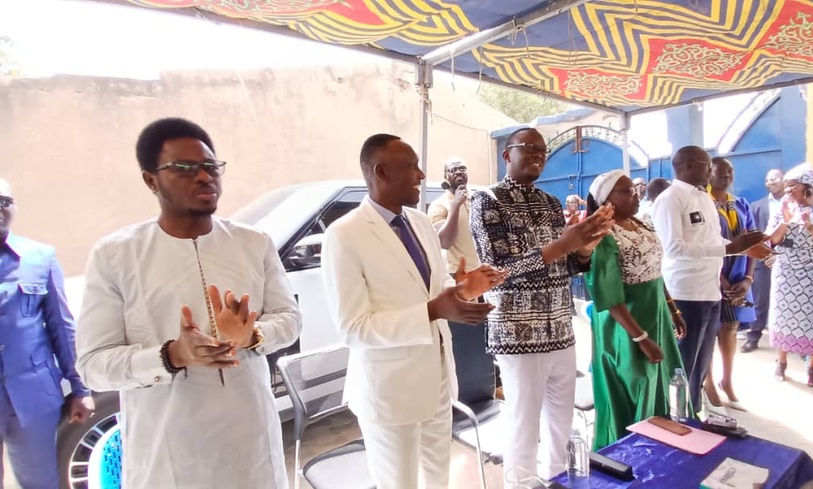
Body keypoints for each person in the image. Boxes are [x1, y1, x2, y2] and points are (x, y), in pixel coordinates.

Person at [75, 118, 302, 488]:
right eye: (184, 168)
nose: (203, 176)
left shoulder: (253, 243)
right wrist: (172, 355)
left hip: (250, 444)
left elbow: (290, 319)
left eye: (211, 166)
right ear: (151, 180)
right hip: (170, 454)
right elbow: (93, 366)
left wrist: (252, 336)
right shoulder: (116, 255)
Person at [322, 134, 506, 489]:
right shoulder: (345, 235)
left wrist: (465, 289)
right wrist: (434, 310)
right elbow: (353, 328)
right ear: (380, 172)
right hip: (389, 392)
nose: (421, 175)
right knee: (399, 483)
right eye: (411, 167)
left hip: (436, 378)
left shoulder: (420, 223)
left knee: (438, 478)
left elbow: (433, 294)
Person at [470, 128, 613, 486]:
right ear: (507, 155)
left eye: (542, 150)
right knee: (523, 425)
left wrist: (583, 249)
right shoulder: (487, 201)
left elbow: (566, 266)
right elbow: (497, 272)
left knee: (561, 424)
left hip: (561, 330)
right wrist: (563, 245)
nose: (537, 154)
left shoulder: (550, 203)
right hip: (519, 333)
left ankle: (559, 480)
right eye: (528, 148)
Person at [650, 145, 768, 416]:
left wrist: (744, 248)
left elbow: (714, 242)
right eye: (707, 165)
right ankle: (677, 417)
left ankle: (693, 413)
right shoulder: (670, 199)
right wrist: (729, 249)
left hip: (710, 290)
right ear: (688, 165)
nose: (712, 171)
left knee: (701, 366)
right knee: (683, 363)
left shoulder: (703, 198)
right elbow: (673, 248)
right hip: (685, 293)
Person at [0, 179, 94, 488]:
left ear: (14, 207)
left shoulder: (39, 257)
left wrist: (81, 389)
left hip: (34, 397)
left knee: (41, 481)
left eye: (4, 202)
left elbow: (61, 326)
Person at [584, 170, 686, 449]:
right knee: (637, 383)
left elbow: (654, 272)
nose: (635, 195)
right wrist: (641, 339)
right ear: (607, 200)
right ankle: (631, 454)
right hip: (624, 326)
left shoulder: (643, 226)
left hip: (656, 316)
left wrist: (672, 309)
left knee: (664, 380)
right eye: (627, 191)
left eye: (635, 189)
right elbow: (609, 297)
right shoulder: (601, 236)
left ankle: (662, 453)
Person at [766, 167, 813, 387]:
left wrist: (809, 225)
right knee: (784, 317)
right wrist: (786, 221)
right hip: (786, 274)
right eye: (786, 185)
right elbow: (771, 240)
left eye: (792, 185)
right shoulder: (783, 207)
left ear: (807, 187)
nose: (787, 190)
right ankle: (781, 363)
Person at [703, 158, 756, 413]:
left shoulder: (740, 204)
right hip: (712, 275)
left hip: (739, 277)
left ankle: (728, 381)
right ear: (708, 172)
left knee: (731, 327)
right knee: (710, 330)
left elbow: (755, 242)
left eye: (730, 170)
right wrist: (721, 281)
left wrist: (748, 279)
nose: (726, 174)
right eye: (720, 170)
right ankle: (709, 382)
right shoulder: (704, 203)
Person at [743, 168, 785, 353]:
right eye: (767, 179)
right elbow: (753, 235)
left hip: (787, 262)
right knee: (760, 301)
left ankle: (792, 343)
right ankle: (754, 336)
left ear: (784, 180)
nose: (771, 182)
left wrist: (780, 256)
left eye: (775, 178)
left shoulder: (793, 206)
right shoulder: (757, 206)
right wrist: (767, 255)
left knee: (787, 302)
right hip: (763, 261)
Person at [428, 157, 480, 273]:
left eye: (462, 168)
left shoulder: (478, 199)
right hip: (458, 273)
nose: (458, 172)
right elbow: (444, 242)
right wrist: (456, 205)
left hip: (483, 270)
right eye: (453, 170)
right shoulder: (439, 205)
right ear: (445, 176)